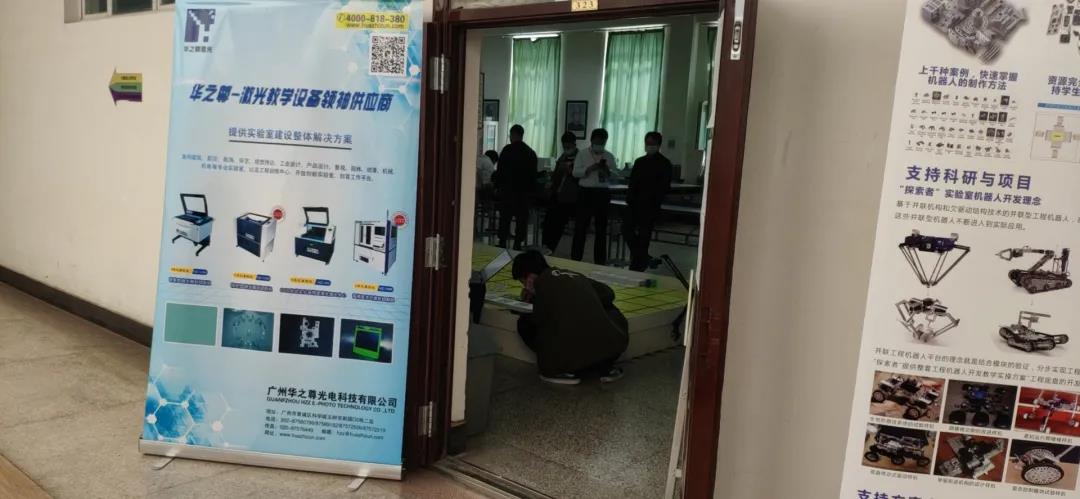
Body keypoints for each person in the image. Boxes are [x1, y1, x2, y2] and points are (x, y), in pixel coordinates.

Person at [511, 250, 628, 385]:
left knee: (525, 323)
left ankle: (557, 369)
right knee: (609, 310)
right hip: (612, 351)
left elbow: (539, 319)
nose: (524, 286)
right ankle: (605, 367)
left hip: (573, 357)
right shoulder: (573, 275)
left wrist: (532, 300)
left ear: (529, 276)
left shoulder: (541, 284)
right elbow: (608, 293)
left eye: (522, 281)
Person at [625, 132, 673, 271]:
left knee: (644, 236)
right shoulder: (639, 161)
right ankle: (643, 257)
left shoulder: (665, 163)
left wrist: (654, 200)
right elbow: (632, 183)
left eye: (653, 144)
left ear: (658, 145)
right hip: (634, 203)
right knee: (626, 230)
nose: (650, 146)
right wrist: (630, 199)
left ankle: (638, 266)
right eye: (648, 143)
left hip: (651, 205)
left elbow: (665, 187)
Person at [571, 128, 618, 264]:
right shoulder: (582, 154)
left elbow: (616, 176)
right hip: (585, 193)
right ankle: (576, 259)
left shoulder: (609, 156)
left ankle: (600, 261)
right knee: (581, 227)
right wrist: (589, 169)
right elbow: (575, 173)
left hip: (602, 193)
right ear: (591, 140)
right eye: (597, 142)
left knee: (601, 229)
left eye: (602, 143)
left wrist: (608, 171)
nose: (599, 145)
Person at [495, 125, 538, 250]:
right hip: (523, 192)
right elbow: (533, 175)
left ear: (513, 134)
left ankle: (502, 241)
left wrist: (498, 186)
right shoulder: (530, 152)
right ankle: (518, 243)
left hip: (507, 190)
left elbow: (500, 171)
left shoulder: (507, 150)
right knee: (521, 219)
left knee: (505, 217)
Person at [541, 132, 580, 254]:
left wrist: (570, 171)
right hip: (557, 194)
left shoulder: (580, 158)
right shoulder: (563, 157)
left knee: (558, 223)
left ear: (574, 144)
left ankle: (550, 247)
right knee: (548, 222)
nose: (566, 149)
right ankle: (545, 245)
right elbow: (556, 176)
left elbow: (580, 178)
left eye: (568, 146)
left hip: (570, 197)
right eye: (564, 146)